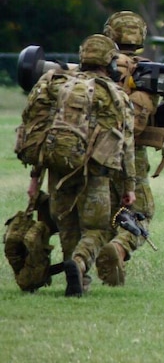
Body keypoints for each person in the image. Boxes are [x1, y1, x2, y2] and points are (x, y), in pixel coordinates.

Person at [21, 34, 136, 296]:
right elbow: (126, 144)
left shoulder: (57, 85)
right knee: (97, 228)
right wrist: (129, 185)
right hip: (95, 172)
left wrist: (35, 179)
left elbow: (38, 132)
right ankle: (80, 263)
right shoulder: (114, 94)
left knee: (68, 227)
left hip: (57, 168)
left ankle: (79, 283)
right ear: (110, 62)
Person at [95, 11, 163, 286]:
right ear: (140, 37)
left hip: (92, 151)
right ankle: (121, 247)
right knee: (140, 214)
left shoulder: (94, 66)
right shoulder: (148, 70)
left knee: (100, 212)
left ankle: (103, 260)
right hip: (132, 156)